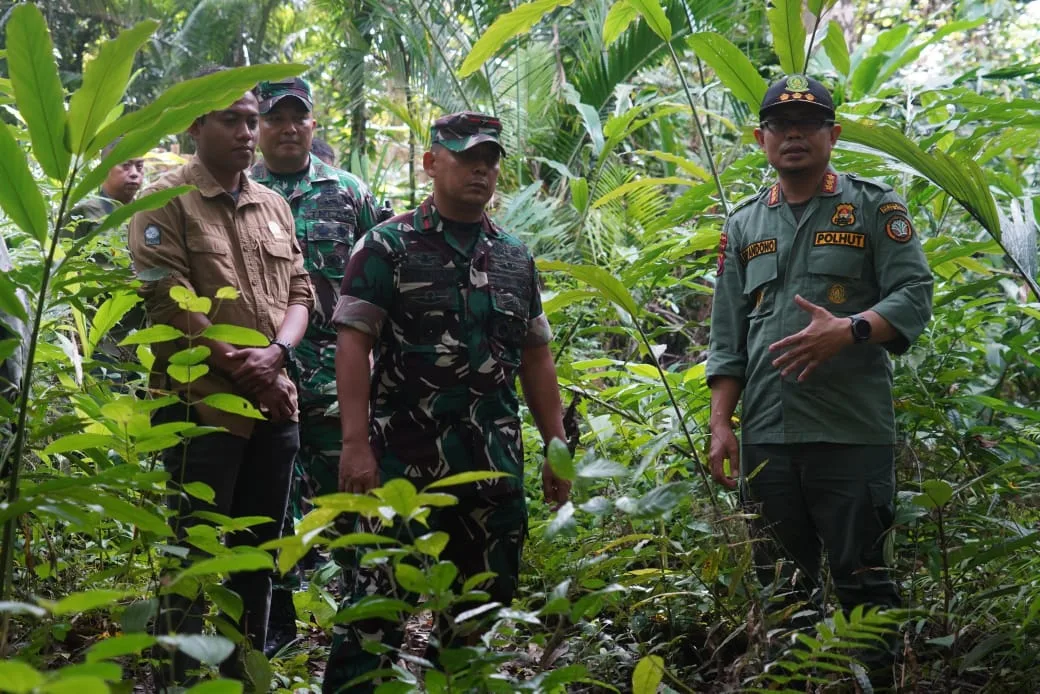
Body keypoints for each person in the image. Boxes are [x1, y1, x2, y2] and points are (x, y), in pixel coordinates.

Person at [324, 111, 572, 692]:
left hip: (493, 466)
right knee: (377, 609)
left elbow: (536, 357)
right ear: (432, 162)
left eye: (489, 160)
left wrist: (555, 444)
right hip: (401, 464)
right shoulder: (386, 246)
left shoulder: (515, 256)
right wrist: (355, 445)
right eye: (466, 158)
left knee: (481, 604)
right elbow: (352, 346)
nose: (480, 170)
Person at [706, 75, 934, 675]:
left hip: (851, 433)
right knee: (782, 591)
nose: (794, 135)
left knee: (866, 585)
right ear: (762, 138)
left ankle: (877, 684)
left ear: (832, 134)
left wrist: (851, 329)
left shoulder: (874, 206)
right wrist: (720, 425)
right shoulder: (745, 224)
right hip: (768, 439)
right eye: (781, 125)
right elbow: (728, 336)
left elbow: (915, 294)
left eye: (808, 124)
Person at [128, 70, 313, 682]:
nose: (246, 131)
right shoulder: (163, 200)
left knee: (255, 559)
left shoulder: (274, 204)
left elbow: (300, 293)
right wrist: (251, 367)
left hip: (273, 404)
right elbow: (172, 306)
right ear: (196, 125)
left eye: (250, 120)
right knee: (191, 556)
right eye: (230, 119)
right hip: (200, 409)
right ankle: (176, 677)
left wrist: (277, 356)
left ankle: (242, 675)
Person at [250, 76, 379, 655]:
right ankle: (272, 626)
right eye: (274, 118)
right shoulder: (237, 192)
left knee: (349, 501)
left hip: (332, 382)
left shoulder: (348, 192)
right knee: (265, 507)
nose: (287, 127)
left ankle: (364, 623)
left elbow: (382, 278)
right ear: (258, 128)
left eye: (296, 117)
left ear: (312, 124)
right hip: (260, 379)